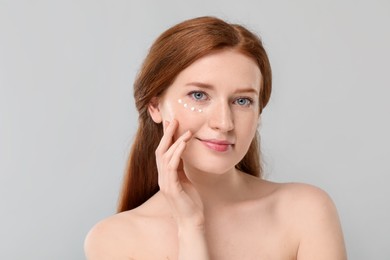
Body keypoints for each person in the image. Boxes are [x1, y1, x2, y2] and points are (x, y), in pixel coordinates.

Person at [84, 16, 347, 259]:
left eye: (242, 100)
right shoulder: (113, 240)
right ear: (155, 106)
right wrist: (191, 228)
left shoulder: (305, 212)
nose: (224, 123)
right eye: (198, 95)